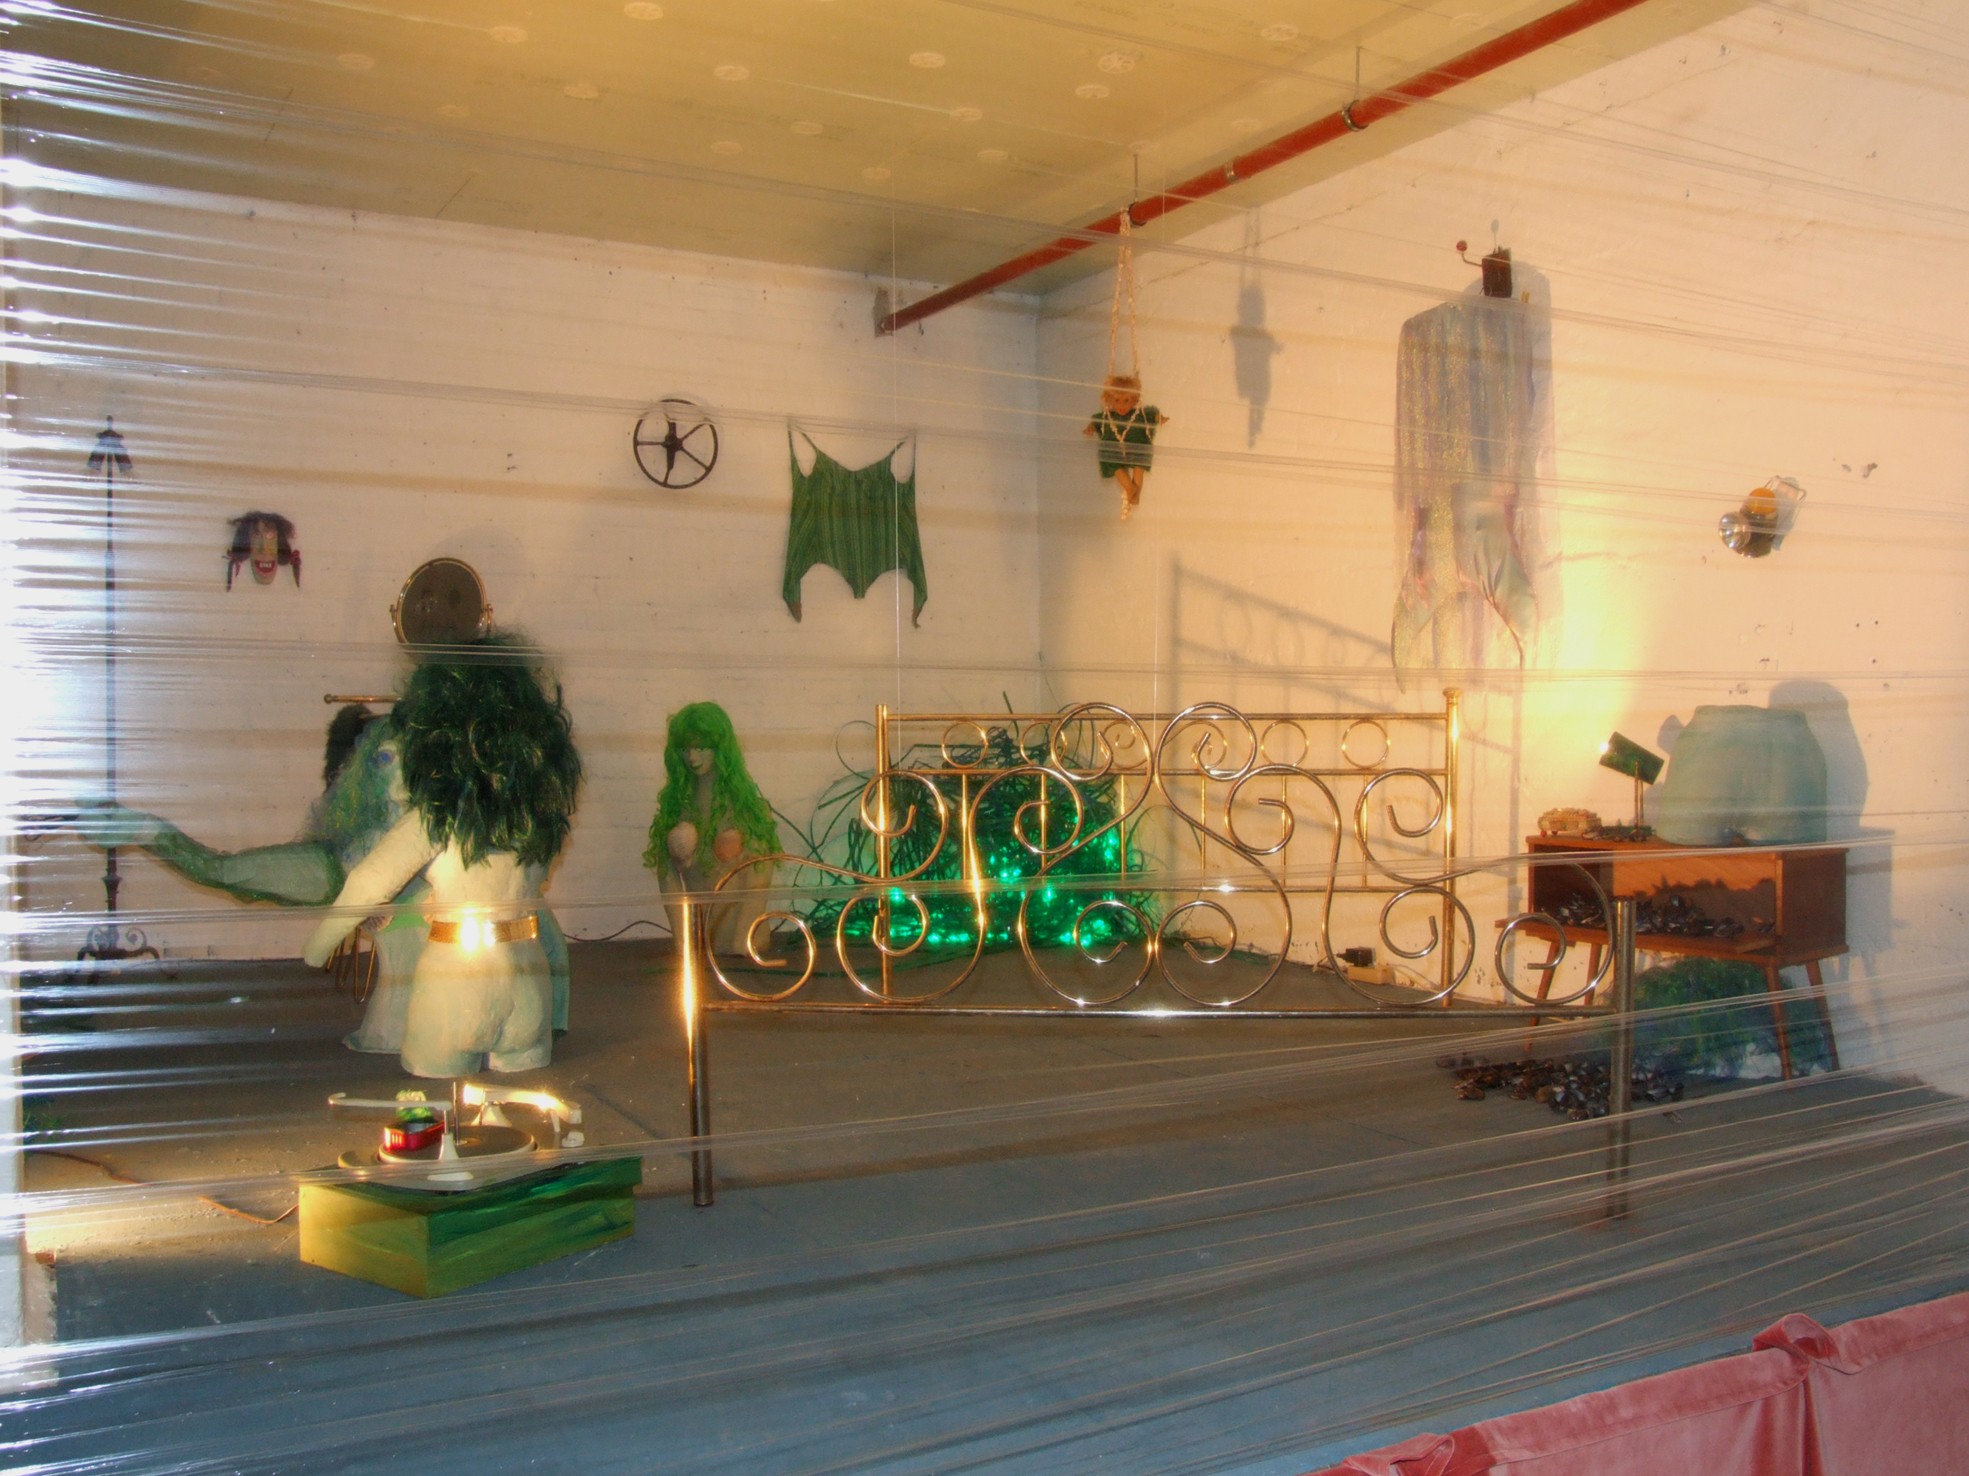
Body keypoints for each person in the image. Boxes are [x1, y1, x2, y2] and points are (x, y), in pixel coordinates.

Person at [305, 633, 581, 1078]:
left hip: (456, 987)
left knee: (441, 1100)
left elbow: (369, 883)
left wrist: (317, 948)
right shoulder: (537, 816)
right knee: (522, 1100)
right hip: (528, 987)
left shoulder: (436, 817)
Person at [644, 701, 780, 957]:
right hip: (702, 944)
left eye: (701, 747)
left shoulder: (749, 811)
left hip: (745, 942)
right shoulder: (676, 812)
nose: (692, 757)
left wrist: (742, 941)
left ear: (720, 748)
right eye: (685, 748)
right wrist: (683, 942)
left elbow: (759, 877)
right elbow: (668, 879)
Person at [1083, 374, 1168, 519]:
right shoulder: (1107, 416)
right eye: (1117, 400)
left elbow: (1152, 414)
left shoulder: (1139, 414)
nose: (1122, 405)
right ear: (1109, 400)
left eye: (1126, 400)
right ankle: (1130, 488)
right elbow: (1096, 423)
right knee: (1114, 464)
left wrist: (1160, 418)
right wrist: (1090, 428)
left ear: (1135, 399)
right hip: (1114, 450)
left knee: (1139, 466)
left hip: (1137, 447)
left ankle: (1136, 493)